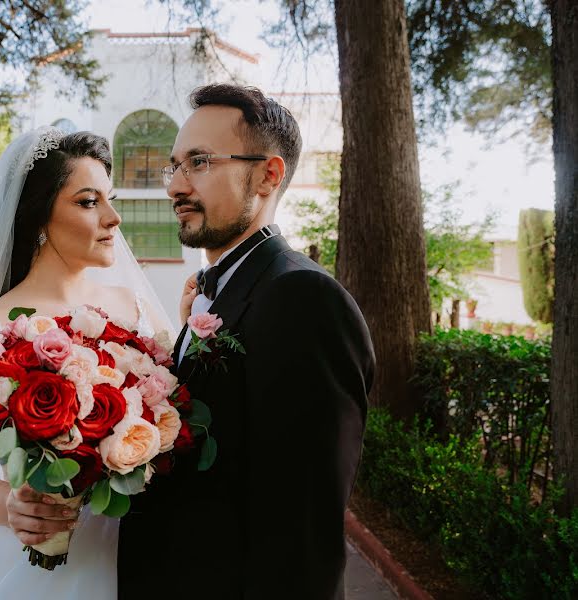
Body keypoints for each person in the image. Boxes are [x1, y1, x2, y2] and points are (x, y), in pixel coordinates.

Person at [117, 84, 376, 599]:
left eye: (199, 162)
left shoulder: (302, 298)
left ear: (268, 174)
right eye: (175, 166)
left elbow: (303, 533)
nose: (175, 186)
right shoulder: (220, 290)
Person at [0, 127, 174, 599]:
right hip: (37, 567)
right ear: (41, 216)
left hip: (145, 550)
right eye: (89, 202)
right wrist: (10, 505)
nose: (113, 218)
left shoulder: (137, 308)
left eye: (109, 198)